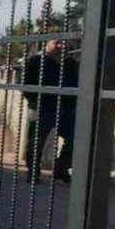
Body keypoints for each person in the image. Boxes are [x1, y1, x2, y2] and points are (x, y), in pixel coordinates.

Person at [23, 39, 77, 182]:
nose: (61, 45)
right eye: (56, 42)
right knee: (36, 141)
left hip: (67, 108)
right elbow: (26, 84)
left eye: (63, 42)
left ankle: (61, 169)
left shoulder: (71, 63)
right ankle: (33, 172)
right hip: (42, 107)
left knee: (74, 139)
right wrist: (35, 101)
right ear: (46, 44)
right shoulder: (35, 61)